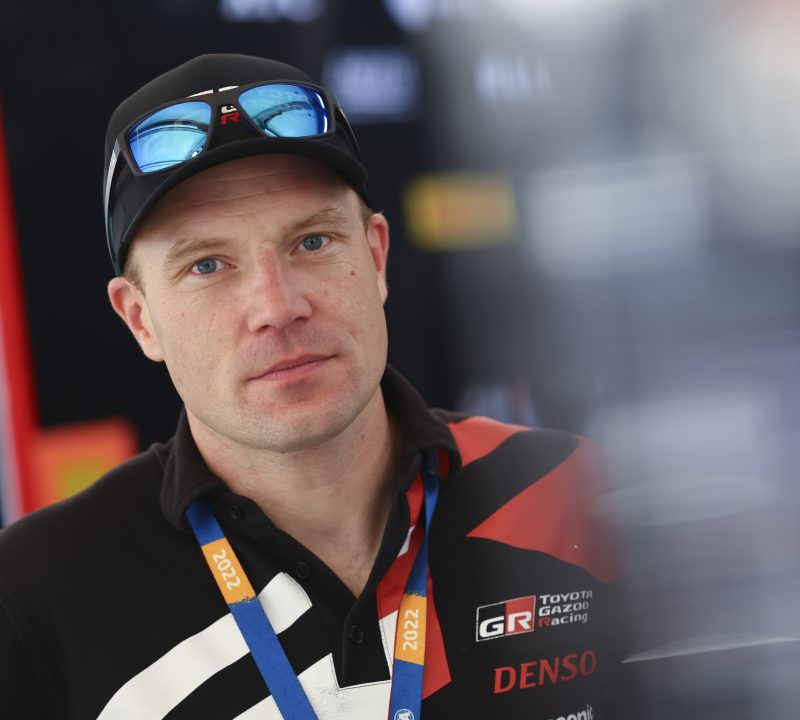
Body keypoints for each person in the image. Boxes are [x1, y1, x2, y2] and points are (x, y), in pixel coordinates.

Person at [0, 54, 629, 719]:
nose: (277, 307)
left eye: (313, 242)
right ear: (140, 319)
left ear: (376, 256)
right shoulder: (31, 598)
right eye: (207, 265)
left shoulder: (575, 492)